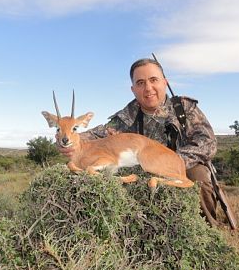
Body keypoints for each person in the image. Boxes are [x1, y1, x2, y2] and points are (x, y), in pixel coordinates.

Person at [58, 58, 218, 226]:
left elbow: (207, 142)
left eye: (153, 80)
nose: (148, 88)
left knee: (200, 177)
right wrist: (68, 139)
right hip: (143, 165)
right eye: (140, 83)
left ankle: (207, 231)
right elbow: (99, 135)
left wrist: (170, 161)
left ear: (165, 82)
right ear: (133, 89)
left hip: (182, 163)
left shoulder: (183, 107)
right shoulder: (127, 115)